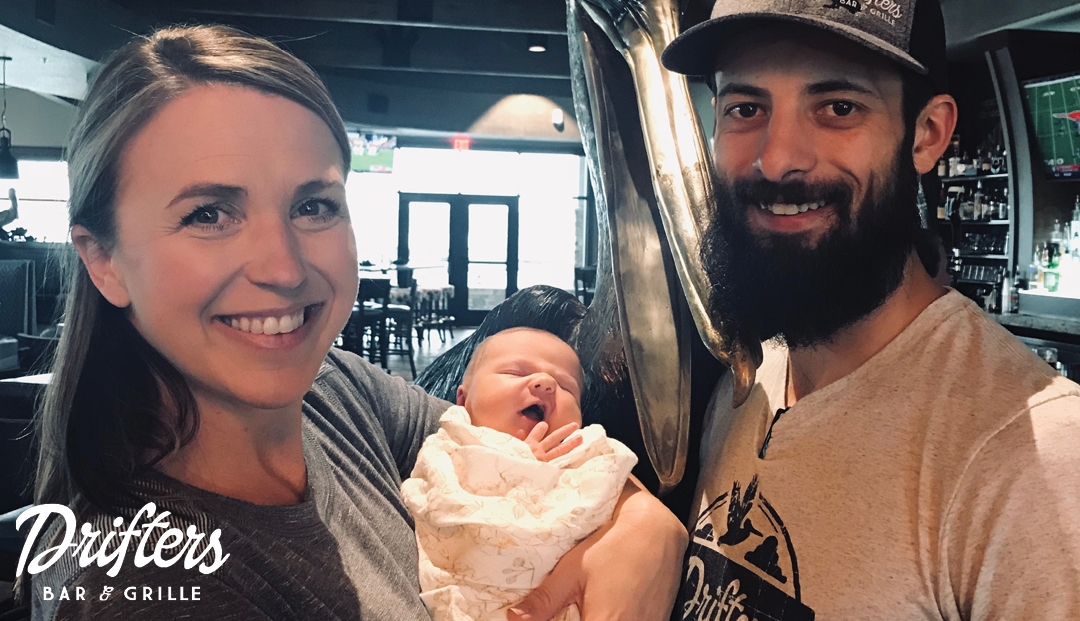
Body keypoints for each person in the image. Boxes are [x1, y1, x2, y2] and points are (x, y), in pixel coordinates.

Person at [19, 25, 687, 621]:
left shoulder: (332, 392)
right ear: (102, 259)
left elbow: (507, 449)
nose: (283, 267)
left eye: (313, 205)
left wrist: (640, 517)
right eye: (209, 214)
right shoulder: (141, 582)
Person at [659, 0, 1080, 619]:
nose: (777, 159)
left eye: (838, 108)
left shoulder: (1032, 455)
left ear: (927, 134)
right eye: (745, 109)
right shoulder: (746, 382)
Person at [403, 328, 638, 621]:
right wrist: (517, 468)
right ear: (463, 400)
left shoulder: (586, 453)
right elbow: (443, 504)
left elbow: (612, 496)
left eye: (566, 387)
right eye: (515, 372)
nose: (546, 383)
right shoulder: (449, 447)